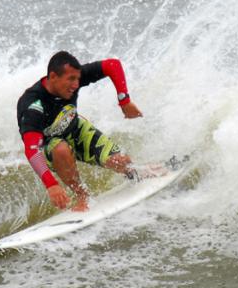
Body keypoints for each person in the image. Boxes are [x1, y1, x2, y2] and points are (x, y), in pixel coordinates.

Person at [17, 51, 143, 212]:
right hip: (50, 146)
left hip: (76, 130)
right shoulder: (33, 105)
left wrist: (124, 101)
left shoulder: (73, 77)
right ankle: (82, 196)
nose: (76, 84)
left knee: (121, 161)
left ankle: (136, 174)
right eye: (71, 79)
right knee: (61, 149)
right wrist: (51, 185)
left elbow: (112, 65)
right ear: (53, 76)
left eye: (78, 79)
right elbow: (32, 150)